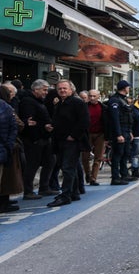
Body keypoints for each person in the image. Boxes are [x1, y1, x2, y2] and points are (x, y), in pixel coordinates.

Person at [48, 79, 89, 207]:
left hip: (71, 141)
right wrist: (51, 126)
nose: (62, 90)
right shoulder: (60, 103)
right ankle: (74, 192)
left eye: (65, 88)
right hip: (60, 140)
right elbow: (61, 120)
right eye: (59, 88)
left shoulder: (77, 102)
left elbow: (85, 121)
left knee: (67, 168)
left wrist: (74, 136)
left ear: (71, 90)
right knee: (69, 167)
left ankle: (65, 195)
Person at [17, 79, 57, 200]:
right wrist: (40, 131)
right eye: (44, 90)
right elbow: (30, 123)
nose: (46, 92)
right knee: (32, 165)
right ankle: (28, 191)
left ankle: (44, 187)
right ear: (36, 89)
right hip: (34, 139)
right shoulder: (28, 102)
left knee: (50, 161)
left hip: (44, 137)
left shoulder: (39, 101)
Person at [107, 80, 135, 185]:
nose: (129, 89)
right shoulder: (115, 100)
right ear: (124, 88)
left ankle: (124, 174)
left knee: (125, 154)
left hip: (126, 130)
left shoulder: (122, 100)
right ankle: (115, 177)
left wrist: (130, 132)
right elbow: (115, 119)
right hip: (120, 131)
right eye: (128, 87)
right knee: (117, 155)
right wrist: (118, 134)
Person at [0, 84, 22, 213]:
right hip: (4, 149)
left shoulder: (7, 108)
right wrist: (8, 146)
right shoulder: (7, 107)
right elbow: (15, 128)